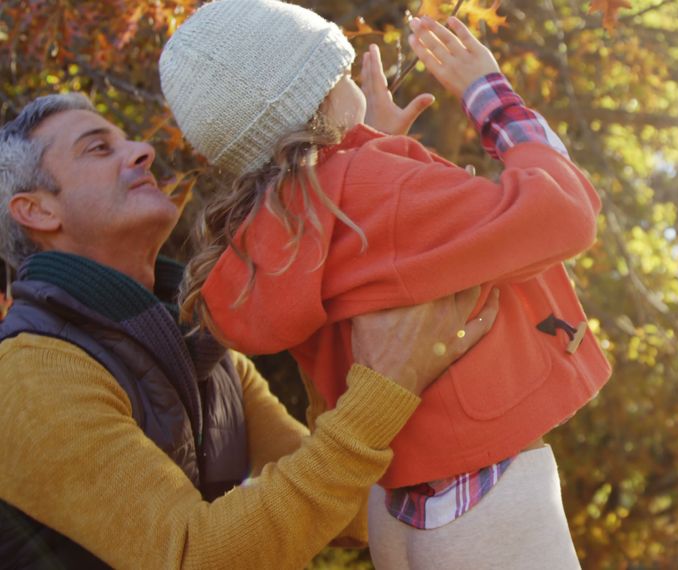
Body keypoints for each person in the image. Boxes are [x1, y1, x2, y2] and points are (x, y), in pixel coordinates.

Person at [158, 0, 612, 566]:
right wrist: (489, 94)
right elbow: (562, 215)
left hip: (394, 506)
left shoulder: (280, 229)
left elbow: (375, 235)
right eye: (342, 75)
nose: (352, 82)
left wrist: (368, 144)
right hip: (486, 486)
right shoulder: (376, 190)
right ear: (324, 98)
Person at [0, 91, 498, 569]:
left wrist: (365, 181)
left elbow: (348, 511)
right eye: (99, 148)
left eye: (127, 140)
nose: (143, 151)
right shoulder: (31, 375)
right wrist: (383, 388)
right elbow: (195, 556)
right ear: (38, 211)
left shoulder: (208, 356)